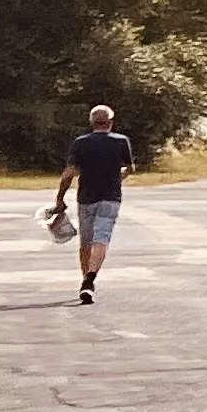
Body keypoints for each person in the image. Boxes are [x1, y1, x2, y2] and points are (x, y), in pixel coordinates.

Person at [60, 104, 129, 306]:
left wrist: (59, 198)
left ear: (91, 123)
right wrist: (118, 178)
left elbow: (68, 174)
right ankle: (89, 281)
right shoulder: (121, 141)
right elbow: (129, 168)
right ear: (110, 122)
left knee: (86, 242)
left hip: (86, 197)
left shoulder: (80, 143)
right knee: (102, 239)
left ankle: (86, 281)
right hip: (110, 197)